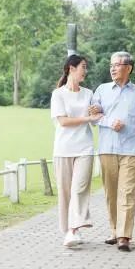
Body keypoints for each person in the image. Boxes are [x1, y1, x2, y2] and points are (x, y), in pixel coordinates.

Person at [91, 51, 135, 252]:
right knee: (111, 193)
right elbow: (94, 114)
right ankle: (115, 230)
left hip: (130, 149)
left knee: (127, 192)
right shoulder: (101, 89)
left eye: (117, 65)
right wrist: (109, 122)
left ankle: (125, 236)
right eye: (111, 65)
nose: (113, 68)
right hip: (107, 148)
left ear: (128, 68)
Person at [50, 54, 102, 247]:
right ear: (71, 69)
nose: (85, 71)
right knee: (65, 193)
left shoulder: (89, 93)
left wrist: (96, 114)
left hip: (84, 148)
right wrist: (87, 119)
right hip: (63, 149)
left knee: (79, 189)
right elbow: (63, 121)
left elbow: (95, 118)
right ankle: (70, 231)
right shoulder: (59, 94)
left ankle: (73, 230)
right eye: (83, 67)